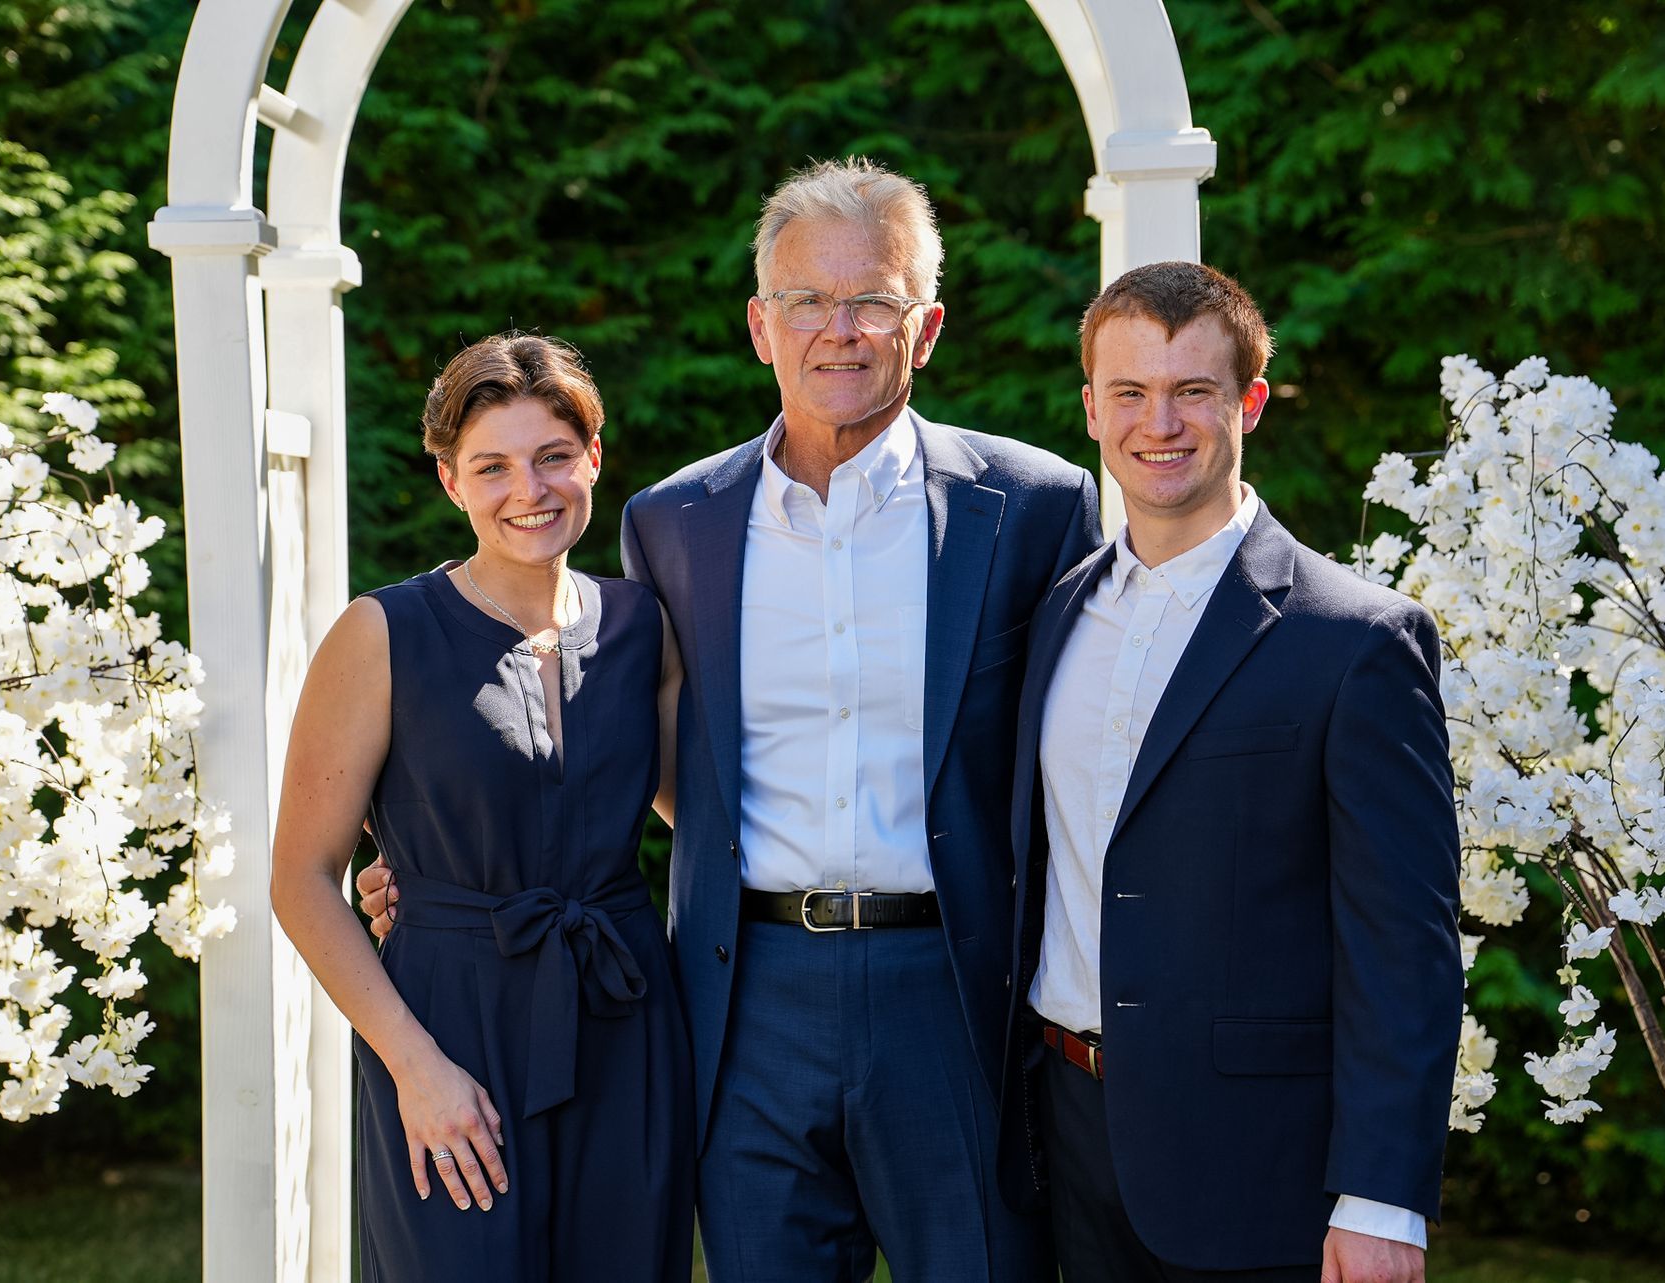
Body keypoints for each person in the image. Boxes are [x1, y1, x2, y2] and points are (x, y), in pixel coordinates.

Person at [364, 158, 1100, 1280]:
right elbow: (647, 751)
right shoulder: (676, 524)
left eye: (874, 301)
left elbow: (1088, 750)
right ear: (762, 324)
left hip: (950, 993)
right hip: (747, 992)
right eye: (807, 299)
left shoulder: (1036, 508)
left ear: (928, 325)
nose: (839, 330)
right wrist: (459, 863)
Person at [999, 261, 1462, 1283]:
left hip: (1257, 1163)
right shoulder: (1055, 611)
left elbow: (1405, 944)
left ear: (1248, 400)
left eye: (1192, 390)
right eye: (1129, 391)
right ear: (1090, 408)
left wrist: (1385, 1196)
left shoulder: (1357, 641)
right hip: (1065, 1136)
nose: (1157, 421)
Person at [270, 334, 693, 1282]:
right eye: (491, 466)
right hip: (446, 1026)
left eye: (551, 456)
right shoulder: (381, 633)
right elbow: (301, 880)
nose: (527, 490)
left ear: (593, 456)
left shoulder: (641, 626)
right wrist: (414, 1067)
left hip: (623, 1017)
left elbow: (696, 813)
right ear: (450, 482)